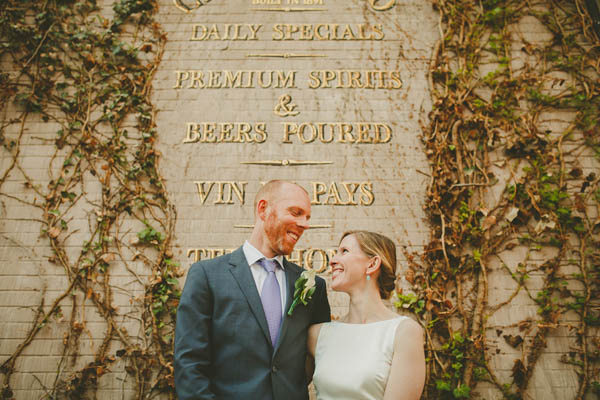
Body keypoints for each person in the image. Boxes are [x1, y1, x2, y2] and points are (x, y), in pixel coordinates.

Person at [174, 180, 331, 400]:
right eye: (296, 212)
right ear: (263, 209)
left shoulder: (313, 286)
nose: (304, 224)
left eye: (307, 217)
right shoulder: (207, 275)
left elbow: (318, 355)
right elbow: (189, 363)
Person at [308, 230, 425, 400]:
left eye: (344, 251)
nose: (332, 261)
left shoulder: (403, 332)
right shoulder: (317, 335)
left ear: (372, 264)